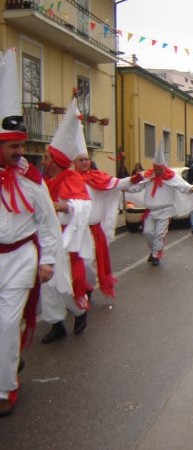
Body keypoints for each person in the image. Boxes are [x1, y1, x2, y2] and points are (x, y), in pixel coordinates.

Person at [0, 48, 64, 417]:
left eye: (22, 145)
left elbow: (46, 222)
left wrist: (49, 260)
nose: (20, 151)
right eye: (14, 146)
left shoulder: (31, 179)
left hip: (22, 256)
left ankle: (6, 387)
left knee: (8, 322)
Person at [40, 97, 94, 343]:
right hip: (45, 238)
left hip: (64, 238)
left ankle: (79, 311)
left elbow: (85, 203)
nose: (42, 160)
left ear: (55, 160)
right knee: (46, 285)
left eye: (46, 156)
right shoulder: (42, 181)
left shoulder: (70, 179)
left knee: (63, 282)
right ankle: (56, 323)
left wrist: (66, 205)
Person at [73, 138, 142, 301]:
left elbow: (116, 183)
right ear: (74, 162)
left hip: (93, 231)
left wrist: (132, 179)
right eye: (80, 160)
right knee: (76, 266)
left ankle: (86, 290)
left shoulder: (97, 177)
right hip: (75, 231)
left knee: (89, 264)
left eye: (86, 159)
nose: (84, 162)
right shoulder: (69, 180)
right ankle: (79, 293)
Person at [129, 144, 193, 266]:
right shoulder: (149, 176)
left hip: (165, 211)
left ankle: (156, 255)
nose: (158, 171)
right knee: (148, 232)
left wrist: (189, 188)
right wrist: (126, 188)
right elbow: (137, 186)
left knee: (159, 234)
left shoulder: (171, 176)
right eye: (156, 168)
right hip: (150, 211)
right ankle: (154, 250)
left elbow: (181, 184)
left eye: (160, 168)